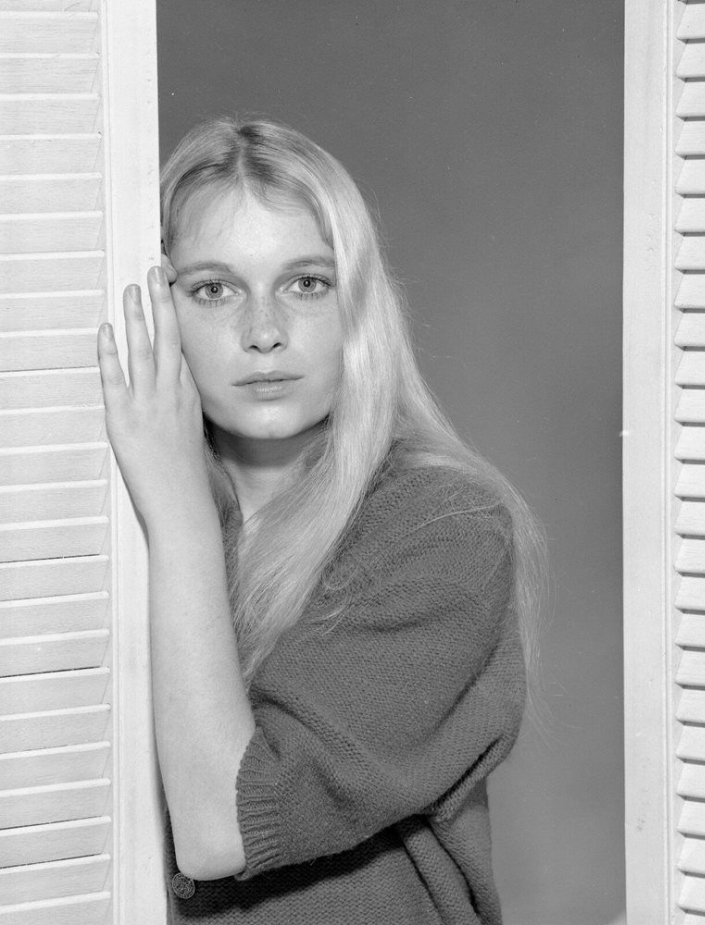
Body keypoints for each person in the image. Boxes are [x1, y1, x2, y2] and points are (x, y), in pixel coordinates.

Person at [96, 117, 543, 924]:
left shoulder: (444, 527)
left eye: (305, 282)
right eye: (214, 289)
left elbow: (224, 828)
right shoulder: (111, 520)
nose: (264, 332)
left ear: (358, 306)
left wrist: (179, 516)